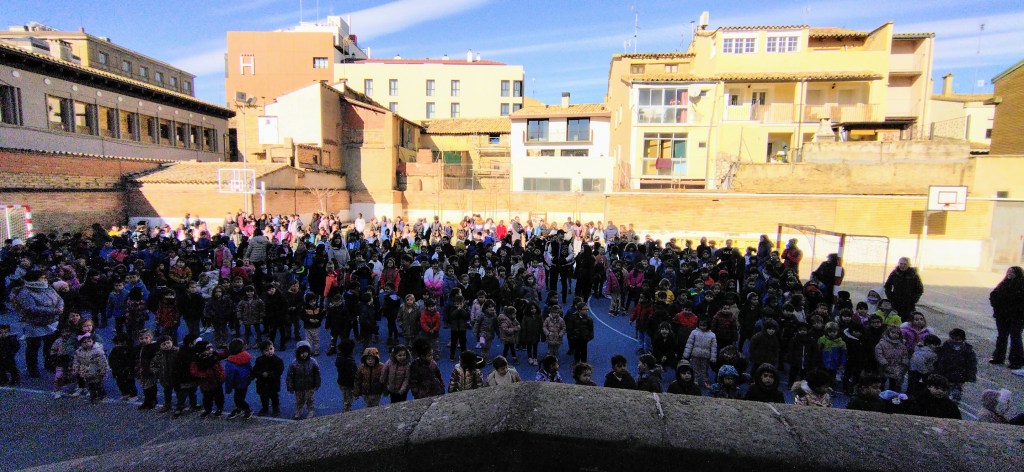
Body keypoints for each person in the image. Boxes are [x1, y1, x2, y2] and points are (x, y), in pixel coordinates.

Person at [16, 269, 63, 378]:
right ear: (34, 279)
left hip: (51, 322)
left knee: (50, 345)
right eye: (42, 278)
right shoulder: (25, 292)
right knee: (33, 347)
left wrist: (60, 306)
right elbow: (31, 309)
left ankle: (49, 364)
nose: (44, 279)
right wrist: (55, 311)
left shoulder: (47, 287)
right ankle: (32, 369)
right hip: (34, 324)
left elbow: (59, 298)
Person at [989, 266, 1024, 370]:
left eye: (1012, 272)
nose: (1009, 273)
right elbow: (994, 295)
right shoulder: (1003, 283)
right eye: (1008, 271)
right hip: (1002, 316)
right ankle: (998, 357)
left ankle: (1016, 361)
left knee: (1015, 337)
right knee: (1002, 337)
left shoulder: (1021, 285)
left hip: (1017, 317)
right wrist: (996, 306)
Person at [934, 328, 977, 403]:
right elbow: (937, 362)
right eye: (952, 338)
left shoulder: (968, 352)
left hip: (958, 379)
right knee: (941, 397)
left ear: (963, 340)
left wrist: (969, 377)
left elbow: (971, 366)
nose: (954, 341)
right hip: (944, 376)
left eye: (957, 339)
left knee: (955, 398)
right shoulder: (943, 348)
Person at [191, 340, 226, 418]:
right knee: (207, 398)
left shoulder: (214, 355)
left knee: (219, 396)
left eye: (211, 348)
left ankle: (219, 408)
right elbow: (194, 371)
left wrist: (226, 348)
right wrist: (204, 375)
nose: (211, 350)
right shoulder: (197, 360)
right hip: (206, 383)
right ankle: (208, 410)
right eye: (208, 349)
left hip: (216, 380)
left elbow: (225, 354)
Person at [287, 341, 322, 419]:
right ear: (298, 353)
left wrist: (317, 383)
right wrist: (290, 386)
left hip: (310, 385)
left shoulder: (313, 362)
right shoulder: (294, 363)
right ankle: (298, 411)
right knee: (299, 400)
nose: (304, 354)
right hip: (298, 386)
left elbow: (317, 373)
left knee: (310, 399)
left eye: (306, 352)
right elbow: (290, 376)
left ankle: (310, 410)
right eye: (302, 353)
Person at [884, 257, 924, 323]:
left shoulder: (913, 275)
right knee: (894, 320)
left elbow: (920, 289)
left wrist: (914, 299)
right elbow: (887, 286)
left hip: (908, 304)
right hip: (896, 302)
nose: (902, 266)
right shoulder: (894, 273)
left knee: (908, 322)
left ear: (909, 265)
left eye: (905, 264)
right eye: (901, 264)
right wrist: (891, 297)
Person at [72, 333, 108, 403]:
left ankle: (102, 396)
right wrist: (75, 369)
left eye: (89, 341)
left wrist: (103, 370)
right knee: (90, 385)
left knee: (98, 384)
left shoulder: (97, 351)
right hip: (85, 372)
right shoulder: (79, 352)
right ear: (81, 344)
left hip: (96, 371)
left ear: (93, 342)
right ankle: (93, 397)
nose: (87, 343)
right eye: (84, 342)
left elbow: (102, 362)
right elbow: (76, 361)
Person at [223, 338, 254, 420]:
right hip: (245, 381)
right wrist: (251, 376)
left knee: (238, 399)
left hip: (237, 382)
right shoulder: (246, 357)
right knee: (240, 397)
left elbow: (229, 377)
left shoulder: (230, 362)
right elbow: (250, 368)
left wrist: (228, 388)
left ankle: (247, 409)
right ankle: (239, 408)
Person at [683, 318, 717, 390]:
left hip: (706, 356)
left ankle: (705, 381)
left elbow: (713, 347)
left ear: (708, 325)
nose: (702, 327)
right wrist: (686, 354)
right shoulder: (694, 332)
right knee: (695, 369)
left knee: (705, 370)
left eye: (704, 325)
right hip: (695, 355)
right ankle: (695, 380)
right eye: (701, 325)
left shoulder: (712, 335)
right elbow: (689, 344)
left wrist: (713, 357)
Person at [150, 335, 180, 413]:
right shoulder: (159, 355)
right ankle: (167, 404)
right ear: (160, 346)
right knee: (167, 392)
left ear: (172, 342)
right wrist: (158, 372)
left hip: (176, 377)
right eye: (163, 344)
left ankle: (180, 404)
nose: (166, 345)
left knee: (179, 391)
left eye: (168, 343)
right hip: (165, 378)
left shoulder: (177, 351)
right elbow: (153, 365)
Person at [253, 340, 284, 416]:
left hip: (273, 382)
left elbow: (279, 371)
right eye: (266, 350)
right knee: (263, 397)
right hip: (262, 383)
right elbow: (255, 370)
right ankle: (265, 408)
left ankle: (275, 409)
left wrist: (269, 374)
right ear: (262, 352)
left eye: (271, 349)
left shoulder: (278, 360)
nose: (269, 351)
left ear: (273, 348)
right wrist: (261, 373)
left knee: (274, 396)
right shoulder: (259, 360)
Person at [334, 338, 358, 411]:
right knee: (348, 398)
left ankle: (347, 408)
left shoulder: (339, 357)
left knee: (345, 396)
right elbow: (352, 374)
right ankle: (346, 410)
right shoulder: (349, 361)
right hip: (348, 383)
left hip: (341, 381)